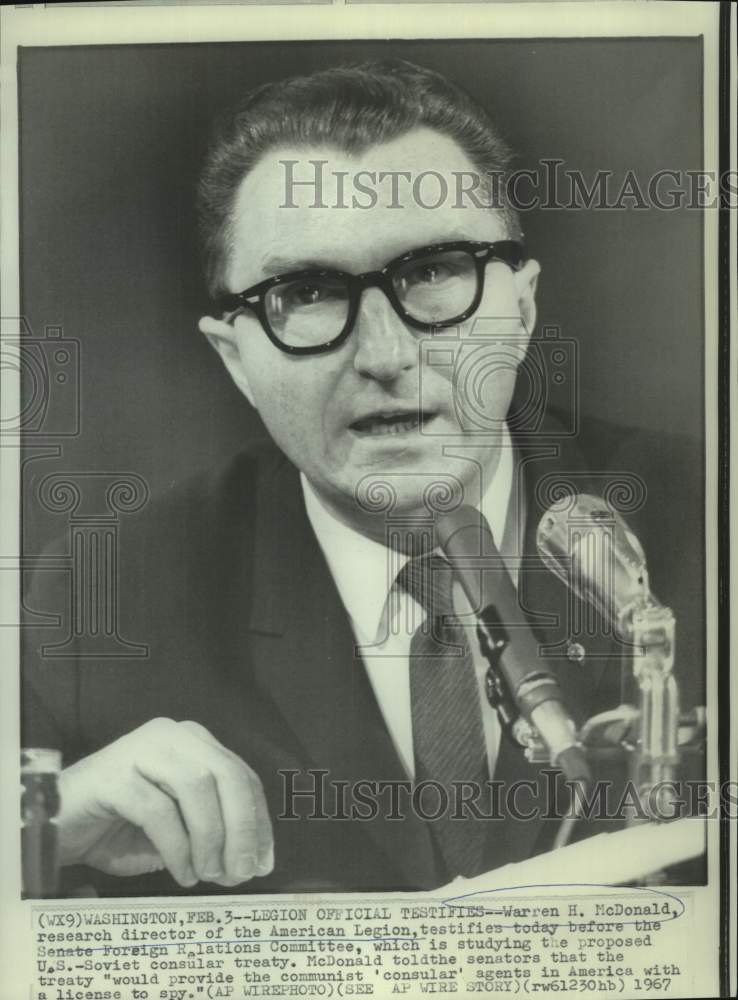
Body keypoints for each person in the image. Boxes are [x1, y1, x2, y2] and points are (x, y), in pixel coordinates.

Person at [21, 59, 704, 896]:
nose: (386, 356)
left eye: (432, 271)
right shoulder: (97, 609)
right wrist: (32, 839)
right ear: (235, 360)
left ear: (521, 311)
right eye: (305, 291)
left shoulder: (718, 526)